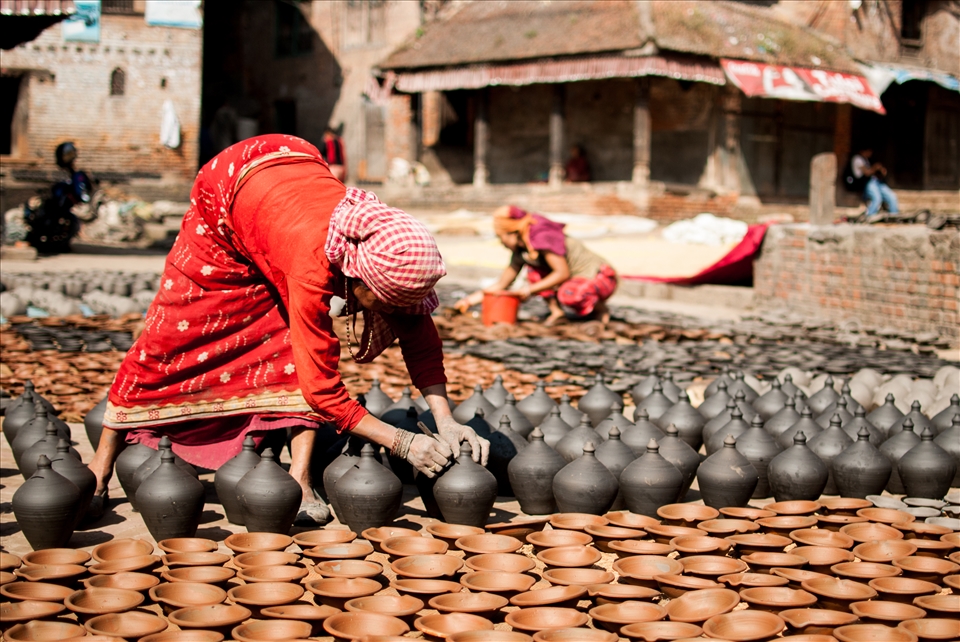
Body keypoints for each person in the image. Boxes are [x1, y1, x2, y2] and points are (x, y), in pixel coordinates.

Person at [87, 134, 489, 525]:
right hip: (229, 188)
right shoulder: (314, 264)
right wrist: (403, 443)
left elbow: (418, 333)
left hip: (293, 171)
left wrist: (446, 420)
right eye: (383, 302)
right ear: (358, 278)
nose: (389, 312)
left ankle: (300, 479)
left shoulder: (382, 251)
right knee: (170, 333)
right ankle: (99, 469)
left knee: (288, 351)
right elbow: (322, 388)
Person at [455, 206, 617, 325]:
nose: (501, 243)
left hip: (600, 278)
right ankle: (557, 313)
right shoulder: (523, 251)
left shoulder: (542, 237)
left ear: (511, 232)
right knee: (534, 271)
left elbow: (562, 273)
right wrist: (468, 301)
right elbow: (501, 284)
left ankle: (600, 310)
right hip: (576, 281)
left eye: (501, 237)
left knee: (569, 293)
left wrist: (527, 290)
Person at [23, 142, 92, 254]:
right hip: (54, 207)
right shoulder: (63, 176)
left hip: (63, 208)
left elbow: (81, 192)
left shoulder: (75, 175)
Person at [848, 147, 898, 222]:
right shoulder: (857, 159)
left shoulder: (866, 159)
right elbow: (867, 173)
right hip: (867, 183)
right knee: (877, 199)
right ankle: (869, 217)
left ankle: (894, 217)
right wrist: (875, 167)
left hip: (876, 182)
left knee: (892, 197)